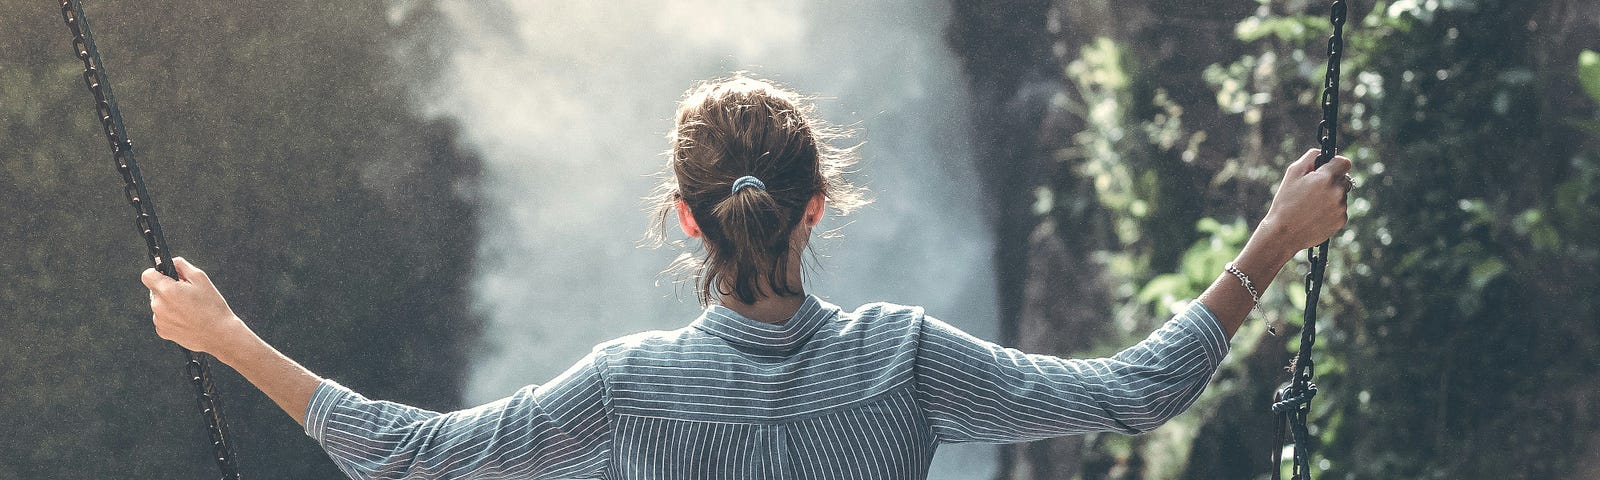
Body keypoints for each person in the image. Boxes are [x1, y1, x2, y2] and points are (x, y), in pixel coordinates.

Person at [141, 75, 1352, 480]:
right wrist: (1269, 242)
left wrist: (230, 336)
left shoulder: (623, 389)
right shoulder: (906, 359)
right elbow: (1134, 393)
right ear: (817, 207)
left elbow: (414, 455)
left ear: (682, 219)